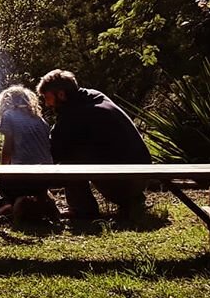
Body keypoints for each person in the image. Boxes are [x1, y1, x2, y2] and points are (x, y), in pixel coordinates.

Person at [36, 69, 151, 219]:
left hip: (124, 183)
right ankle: (134, 201)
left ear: (61, 95)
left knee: (69, 161)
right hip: (143, 174)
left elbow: (55, 151)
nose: (46, 103)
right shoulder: (94, 96)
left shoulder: (74, 115)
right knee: (83, 151)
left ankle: (82, 209)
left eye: (47, 98)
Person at [0, 85, 58, 221]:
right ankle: (45, 203)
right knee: (32, 188)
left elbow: (8, 148)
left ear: (6, 102)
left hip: (24, 176)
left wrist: (2, 171)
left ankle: (5, 205)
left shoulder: (9, 116)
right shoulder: (40, 120)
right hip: (45, 178)